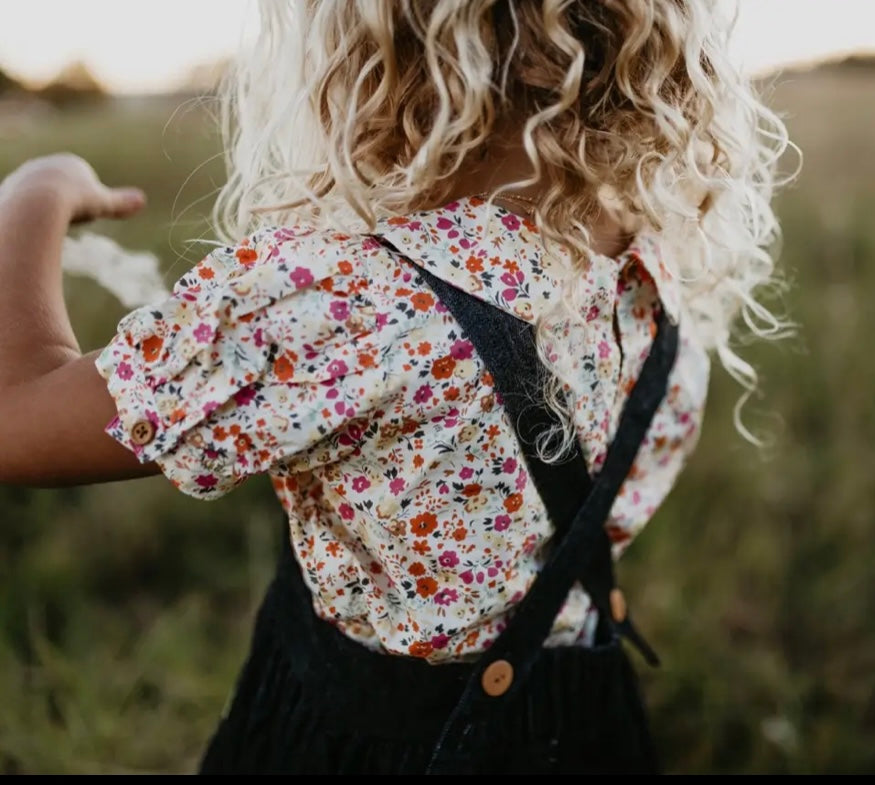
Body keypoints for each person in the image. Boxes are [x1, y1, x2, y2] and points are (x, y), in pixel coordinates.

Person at [0, 0, 789, 774]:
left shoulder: (346, 300)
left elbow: (16, 419)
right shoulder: (653, 251)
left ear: (381, 53)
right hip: (581, 711)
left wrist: (38, 191)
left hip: (365, 738)